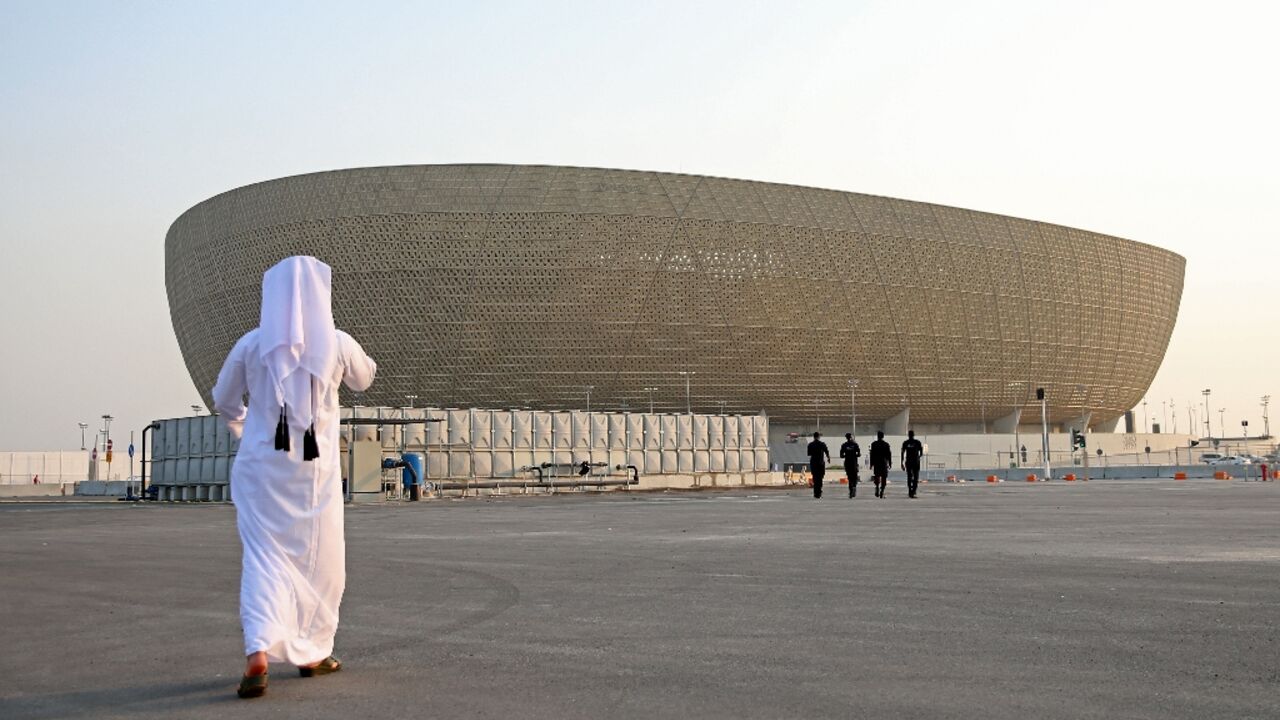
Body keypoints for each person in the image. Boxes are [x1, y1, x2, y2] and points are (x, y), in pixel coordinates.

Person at [212, 256, 377, 699]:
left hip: (261, 471)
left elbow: (224, 398)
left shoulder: (251, 345)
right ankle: (313, 652)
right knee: (322, 562)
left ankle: (258, 656)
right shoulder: (338, 343)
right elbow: (365, 379)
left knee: (264, 560)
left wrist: (246, 430)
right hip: (314, 476)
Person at [901, 429, 924, 499]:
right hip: (916, 462)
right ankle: (913, 491)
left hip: (909, 462)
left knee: (909, 476)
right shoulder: (917, 442)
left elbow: (902, 452)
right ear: (913, 435)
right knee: (916, 477)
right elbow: (921, 452)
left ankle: (910, 491)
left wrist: (901, 462)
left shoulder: (905, 442)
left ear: (908, 435)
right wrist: (918, 457)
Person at [806, 431, 830, 499]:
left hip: (813, 463)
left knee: (815, 478)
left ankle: (816, 493)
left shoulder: (810, 445)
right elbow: (826, 451)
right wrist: (828, 458)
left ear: (813, 437)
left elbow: (809, 454)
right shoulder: (822, 444)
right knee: (820, 477)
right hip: (820, 463)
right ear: (819, 437)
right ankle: (819, 492)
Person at [869, 430, 892, 498]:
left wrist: (871, 463)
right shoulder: (886, 444)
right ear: (883, 436)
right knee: (884, 477)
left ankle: (877, 487)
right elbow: (889, 455)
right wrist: (890, 463)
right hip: (883, 462)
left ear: (877, 436)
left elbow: (872, 454)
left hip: (876, 462)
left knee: (877, 476)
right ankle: (882, 490)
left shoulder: (873, 444)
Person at [839, 433, 861, 498]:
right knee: (855, 476)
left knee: (849, 477)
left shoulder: (844, 445)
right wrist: (854, 455)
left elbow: (841, 455)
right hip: (854, 462)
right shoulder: (855, 444)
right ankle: (854, 486)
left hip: (847, 463)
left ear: (846, 438)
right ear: (851, 437)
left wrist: (846, 455)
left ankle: (851, 491)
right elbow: (859, 454)